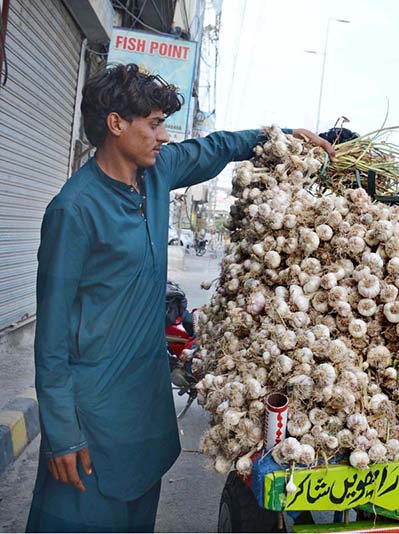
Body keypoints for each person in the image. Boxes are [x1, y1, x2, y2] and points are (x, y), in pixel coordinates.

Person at [26, 63, 334, 532]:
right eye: (154, 124)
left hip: (144, 407)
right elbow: (49, 338)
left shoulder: (154, 175)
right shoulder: (75, 210)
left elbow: (215, 147)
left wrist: (285, 136)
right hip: (93, 417)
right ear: (116, 125)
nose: (164, 136)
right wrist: (62, 435)